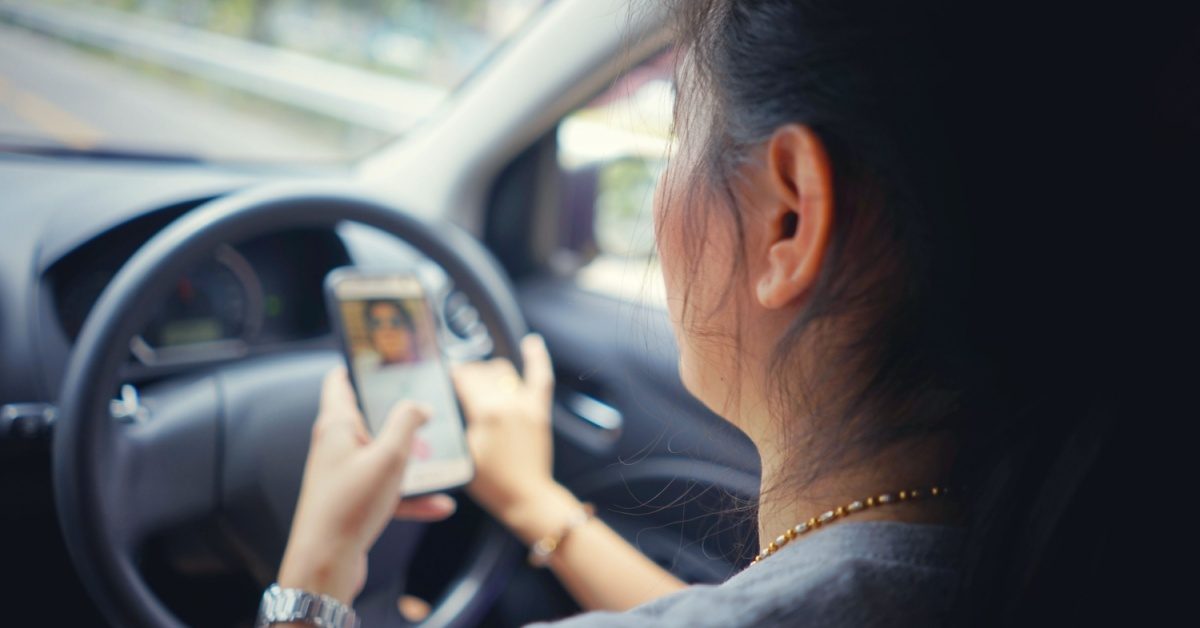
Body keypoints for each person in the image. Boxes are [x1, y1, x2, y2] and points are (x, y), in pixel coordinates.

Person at [267, 0, 1187, 626]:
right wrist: (535, 500)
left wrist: (313, 578)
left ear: (792, 216)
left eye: (677, 135)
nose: (663, 189)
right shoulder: (1080, 545)